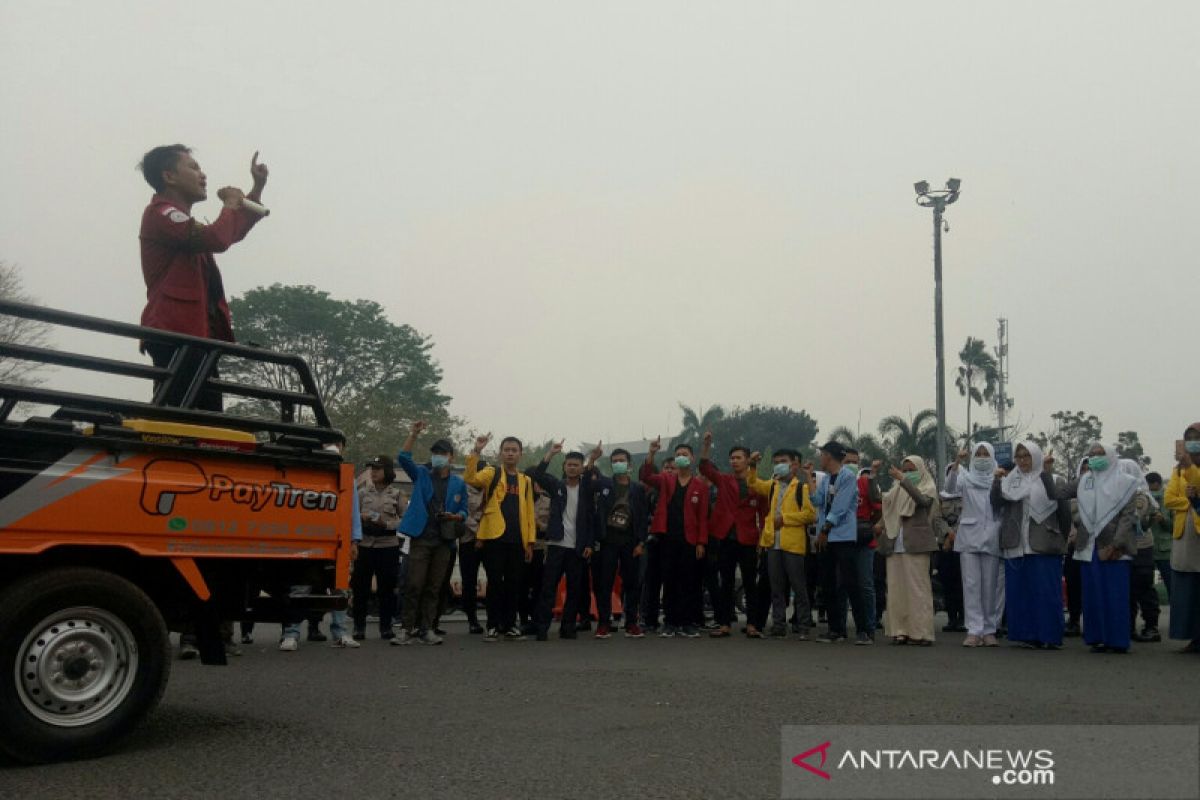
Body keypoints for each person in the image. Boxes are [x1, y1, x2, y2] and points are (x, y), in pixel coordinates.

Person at [137, 146, 268, 411]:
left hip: (197, 336)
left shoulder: (183, 223)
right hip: (174, 333)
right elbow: (217, 238)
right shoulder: (161, 214)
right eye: (193, 167)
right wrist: (230, 204)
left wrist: (256, 189)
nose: (203, 174)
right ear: (169, 176)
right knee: (180, 419)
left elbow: (227, 233)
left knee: (206, 422)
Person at [394, 422, 470, 646]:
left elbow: (465, 509)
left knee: (434, 587)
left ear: (451, 456)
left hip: (444, 540)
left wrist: (458, 517)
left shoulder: (458, 482)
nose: (438, 457)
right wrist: (414, 434)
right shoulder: (422, 474)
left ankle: (426, 629)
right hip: (421, 537)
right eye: (435, 453)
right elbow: (403, 457)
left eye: (442, 453)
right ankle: (406, 629)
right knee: (414, 584)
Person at [1059, 443, 1139, 654]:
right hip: (1090, 546)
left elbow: (1127, 517)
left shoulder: (1126, 482)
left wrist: (1117, 544)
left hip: (1114, 549)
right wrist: (1046, 471)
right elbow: (1059, 492)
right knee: (1093, 594)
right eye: (1091, 454)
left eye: (1100, 454)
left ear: (1111, 456)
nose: (1095, 458)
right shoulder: (1086, 480)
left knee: (1115, 595)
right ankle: (1097, 637)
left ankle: (1117, 640)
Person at [993, 441, 1071, 650]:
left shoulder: (1053, 479)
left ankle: (1049, 635)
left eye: (1026, 456)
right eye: (1018, 457)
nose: (1022, 460)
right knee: (1021, 592)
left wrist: (1061, 538)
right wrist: (996, 481)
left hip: (1044, 543)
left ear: (1035, 457)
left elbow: (1064, 514)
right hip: (1016, 543)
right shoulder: (1010, 481)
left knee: (1046, 592)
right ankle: (1025, 634)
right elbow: (996, 504)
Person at [465, 434, 536, 642]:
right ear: (500, 453)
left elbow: (530, 512)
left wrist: (530, 542)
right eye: (507, 450)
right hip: (494, 538)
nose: (510, 453)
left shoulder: (526, 481)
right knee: (495, 582)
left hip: (517, 539)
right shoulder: (491, 472)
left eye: (514, 450)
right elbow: (470, 478)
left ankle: (510, 624)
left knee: (514, 584)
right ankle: (493, 625)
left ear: (520, 454)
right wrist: (476, 451)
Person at [530, 442, 601, 641]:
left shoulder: (587, 488)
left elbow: (591, 520)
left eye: (576, 465)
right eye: (569, 464)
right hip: (556, 545)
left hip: (577, 547)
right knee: (548, 588)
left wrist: (589, 544)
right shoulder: (556, 486)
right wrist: (550, 454)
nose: (572, 467)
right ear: (564, 466)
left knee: (574, 589)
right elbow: (537, 475)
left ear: (581, 468)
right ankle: (542, 627)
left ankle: (568, 627)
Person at [746, 449, 818, 640]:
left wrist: (785, 519)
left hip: (793, 544)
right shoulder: (773, 486)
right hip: (773, 543)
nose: (779, 464)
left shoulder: (801, 487)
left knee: (799, 587)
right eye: (776, 461)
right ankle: (778, 625)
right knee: (776, 588)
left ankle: (803, 626)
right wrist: (752, 466)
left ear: (794, 464)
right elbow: (752, 483)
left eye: (783, 461)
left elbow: (811, 515)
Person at [640, 437, 708, 638]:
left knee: (688, 582)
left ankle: (686, 622)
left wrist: (701, 542)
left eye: (684, 455)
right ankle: (670, 622)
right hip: (667, 538)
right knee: (669, 581)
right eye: (678, 455)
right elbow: (645, 475)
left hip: (689, 539)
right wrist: (652, 453)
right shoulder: (666, 479)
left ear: (692, 458)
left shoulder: (700, 486)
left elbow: (703, 517)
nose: (680, 458)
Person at [698, 432, 764, 638]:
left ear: (747, 460)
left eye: (738, 458)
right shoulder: (724, 480)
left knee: (750, 582)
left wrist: (763, 539)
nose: (734, 461)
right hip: (725, 537)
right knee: (725, 582)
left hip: (748, 538)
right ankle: (724, 623)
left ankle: (753, 624)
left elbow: (764, 514)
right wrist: (707, 446)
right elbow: (704, 468)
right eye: (732, 458)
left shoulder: (757, 484)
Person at [876, 456, 940, 646]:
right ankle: (900, 631)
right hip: (895, 544)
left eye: (911, 469)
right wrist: (872, 476)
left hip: (916, 545)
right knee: (896, 590)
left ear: (920, 470)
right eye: (904, 470)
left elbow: (921, 501)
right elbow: (878, 499)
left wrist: (903, 480)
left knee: (918, 590)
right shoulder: (896, 490)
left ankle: (921, 633)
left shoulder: (928, 486)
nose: (907, 473)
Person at [946, 443, 1004, 648]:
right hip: (969, 537)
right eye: (978, 454)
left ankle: (989, 629)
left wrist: (999, 479)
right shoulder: (965, 478)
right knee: (971, 585)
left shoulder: (999, 477)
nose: (981, 457)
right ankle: (973, 629)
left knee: (990, 586)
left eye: (985, 454)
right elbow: (949, 489)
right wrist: (957, 462)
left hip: (991, 536)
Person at [812, 442, 869, 644]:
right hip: (825, 536)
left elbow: (840, 507)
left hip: (841, 536)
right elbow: (818, 501)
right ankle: (836, 629)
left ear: (829, 455)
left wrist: (826, 529)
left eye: (822, 454)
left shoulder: (847, 477)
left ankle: (863, 630)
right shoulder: (827, 478)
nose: (820, 458)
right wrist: (810, 480)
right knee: (827, 583)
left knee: (850, 582)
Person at [592, 448, 650, 639]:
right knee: (604, 584)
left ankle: (632, 622)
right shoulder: (604, 484)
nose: (618, 463)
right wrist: (592, 459)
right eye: (615, 461)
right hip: (607, 542)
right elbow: (586, 480)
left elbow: (642, 518)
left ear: (629, 464)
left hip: (630, 543)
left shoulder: (638, 489)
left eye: (621, 460)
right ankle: (603, 623)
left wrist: (641, 542)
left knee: (632, 583)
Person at [348, 456, 405, 641]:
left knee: (386, 589)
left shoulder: (397, 494)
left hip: (387, 545)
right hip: (365, 544)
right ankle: (359, 627)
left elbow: (404, 520)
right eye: (372, 468)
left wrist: (387, 523)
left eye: (378, 468)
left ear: (387, 471)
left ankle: (386, 627)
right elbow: (351, 516)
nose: (373, 471)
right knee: (360, 588)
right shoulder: (362, 493)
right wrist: (362, 518)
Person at [1166, 423, 1200, 653]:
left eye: (1196, 438)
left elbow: (1196, 484)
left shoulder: (1188, 469)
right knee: (1188, 588)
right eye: (1189, 438)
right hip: (1184, 532)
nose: (1192, 442)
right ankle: (1193, 636)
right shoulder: (1178, 470)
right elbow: (1169, 499)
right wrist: (1189, 502)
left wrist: (1191, 469)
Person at [1123, 460, 1161, 643]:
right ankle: (1128, 627)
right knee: (1128, 590)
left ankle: (1151, 627)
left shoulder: (1140, 495)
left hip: (1142, 548)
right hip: (1127, 548)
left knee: (1144, 589)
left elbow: (1134, 518)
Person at [937, 458, 966, 634]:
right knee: (948, 583)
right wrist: (948, 534)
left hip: (963, 544)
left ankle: (963, 618)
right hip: (945, 545)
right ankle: (951, 618)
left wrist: (955, 534)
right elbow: (937, 518)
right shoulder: (941, 497)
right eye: (950, 474)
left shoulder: (967, 495)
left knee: (962, 584)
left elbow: (966, 517)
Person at [1147, 472, 1174, 601]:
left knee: (1172, 586)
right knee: (1147, 587)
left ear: (1156, 484)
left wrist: (1163, 520)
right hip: (1148, 550)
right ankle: (1151, 619)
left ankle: (1176, 618)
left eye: (1148, 485)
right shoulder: (1145, 499)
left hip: (1165, 552)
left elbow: (1175, 527)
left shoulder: (1169, 498)